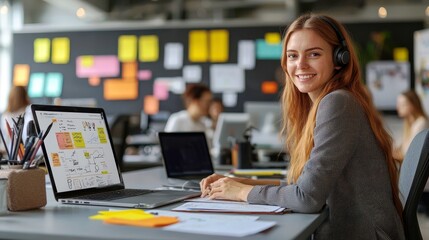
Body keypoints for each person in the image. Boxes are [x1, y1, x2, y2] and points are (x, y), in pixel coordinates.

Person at [200, 13, 405, 239]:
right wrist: (236, 182)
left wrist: (242, 193)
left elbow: (306, 198)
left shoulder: (338, 102)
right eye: (292, 55)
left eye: (314, 54)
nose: (301, 64)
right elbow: (301, 185)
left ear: (340, 59)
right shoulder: (326, 103)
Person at [393, 90, 429, 161]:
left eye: (402, 104)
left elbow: (411, 156)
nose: (398, 107)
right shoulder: (408, 124)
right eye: (398, 104)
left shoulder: (421, 123)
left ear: (413, 105)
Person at [0, 86, 33, 154]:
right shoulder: (29, 112)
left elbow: (5, 140)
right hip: (23, 152)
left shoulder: (5, 115)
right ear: (25, 96)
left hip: (10, 153)